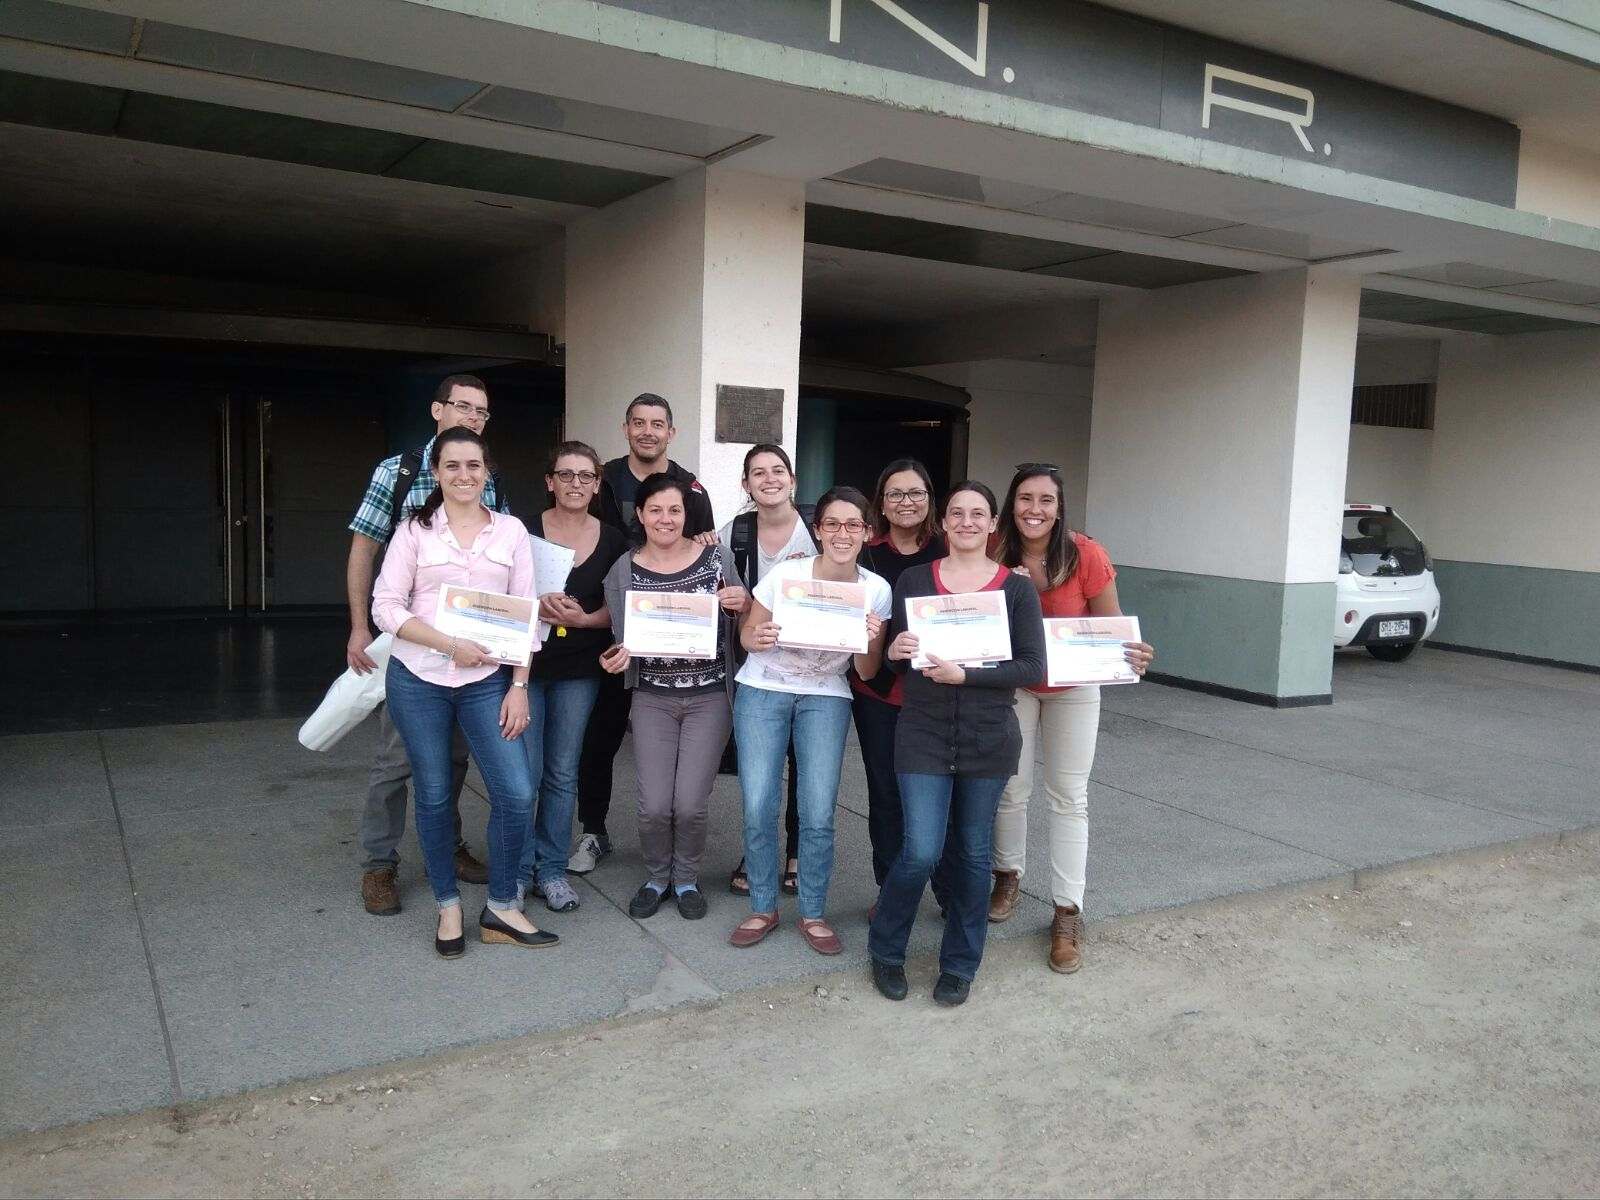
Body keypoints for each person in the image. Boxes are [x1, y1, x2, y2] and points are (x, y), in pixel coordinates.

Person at [370, 427, 556, 958]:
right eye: (452, 466)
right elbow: (386, 607)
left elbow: (527, 614)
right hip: (418, 679)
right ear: (436, 473)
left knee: (516, 792)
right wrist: (449, 643)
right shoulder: (414, 532)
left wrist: (519, 686)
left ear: (487, 472)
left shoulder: (511, 532)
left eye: (473, 466)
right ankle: (448, 906)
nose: (464, 475)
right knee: (432, 794)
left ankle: (500, 905)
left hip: (487, 683)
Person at [868, 481, 1045, 1007]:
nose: (967, 522)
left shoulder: (1015, 589)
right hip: (921, 731)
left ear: (993, 525)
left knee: (971, 856)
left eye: (978, 514)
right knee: (920, 851)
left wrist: (964, 676)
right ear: (942, 524)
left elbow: (1033, 666)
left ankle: (960, 964)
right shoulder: (916, 580)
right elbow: (901, 655)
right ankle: (886, 950)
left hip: (988, 735)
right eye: (956, 513)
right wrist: (896, 647)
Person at [987, 463, 1154, 973]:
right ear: (1011, 505)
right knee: (1010, 789)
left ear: (1060, 509)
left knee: (1068, 797)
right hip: (1015, 684)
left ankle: (1066, 912)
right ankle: (1007, 876)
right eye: (1025, 499)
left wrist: (1133, 654)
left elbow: (1110, 627)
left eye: (1046, 501)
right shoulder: (993, 548)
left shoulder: (1086, 554)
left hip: (1075, 688)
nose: (1035, 510)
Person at [346, 374, 501, 917]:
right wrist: (359, 625)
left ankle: (447, 845)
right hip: (408, 640)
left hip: (469, 648)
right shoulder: (397, 471)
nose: (472, 418)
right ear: (438, 409)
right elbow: (364, 549)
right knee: (396, 758)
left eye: (481, 412)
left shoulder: (489, 477)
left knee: (455, 757)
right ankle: (379, 864)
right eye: (463, 407)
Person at [730, 486, 890, 954]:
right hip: (764, 688)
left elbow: (866, 671)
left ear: (867, 531)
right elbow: (747, 636)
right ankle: (762, 906)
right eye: (833, 524)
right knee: (759, 802)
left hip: (826, 695)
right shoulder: (788, 576)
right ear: (818, 530)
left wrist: (870, 639)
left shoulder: (875, 591)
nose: (843, 533)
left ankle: (813, 912)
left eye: (853, 524)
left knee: (818, 810)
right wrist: (758, 635)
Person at [571, 393, 718, 875]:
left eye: (658, 424)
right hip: (608, 625)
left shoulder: (691, 490)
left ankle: (679, 847)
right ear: (626, 428)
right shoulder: (603, 479)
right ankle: (593, 830)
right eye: (639, 423)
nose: (648, 431)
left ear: (671, 432)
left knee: (671, 754)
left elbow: (707, 559)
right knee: (601, 736)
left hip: (672, 641)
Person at [599, 474, 749, 920]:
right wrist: (615, 658)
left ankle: (685, 880)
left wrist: (742, 605)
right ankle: (655, 878)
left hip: (709, 698)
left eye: (675, 510)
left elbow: (746, 626)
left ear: (687, 515)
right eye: (656, 510)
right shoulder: (624, 570)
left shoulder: (718, 558)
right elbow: (620, 640)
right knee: (653, 805)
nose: (666, 519)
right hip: (652, 699)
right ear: (640, 515)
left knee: (688, 803)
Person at [513, 442, 630, 914]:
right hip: (526, 666)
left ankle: (552, 870)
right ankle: (517, 872)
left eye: (586, 476)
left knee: (562, 774)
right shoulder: (520, 531)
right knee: (525, 776)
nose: (576, 484)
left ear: (597, 483)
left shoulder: (615, 540)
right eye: (566, 475)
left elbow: (621, 611)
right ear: (550, 481)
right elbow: (497, 595)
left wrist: (584, 620)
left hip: (580, 671)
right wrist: (532, 603)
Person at [717, 444, 819, 898]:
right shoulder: (733, 533)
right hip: (757, 668)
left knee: (804, 766)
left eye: (778, 470)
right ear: (746, 485)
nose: (769, 479)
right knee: (761, 767)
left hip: (816, 671)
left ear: (793, 479)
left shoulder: (817, 529)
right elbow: (713, 585)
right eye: (758, 473)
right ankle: (757, 853)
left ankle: (796, 852)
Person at [850, 459, 946, 893]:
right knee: (886, 795)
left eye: (915, 493)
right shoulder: (865, 553)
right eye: (895, 494)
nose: (906, 502)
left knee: (946, 796)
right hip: (878, 693)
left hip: (941, 693)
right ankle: (890, 892)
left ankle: (948, 888)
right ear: (881, 505)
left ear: (929, 499)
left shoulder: (950, 550)